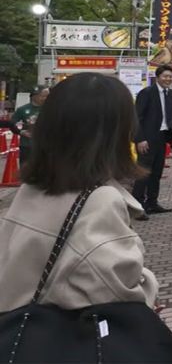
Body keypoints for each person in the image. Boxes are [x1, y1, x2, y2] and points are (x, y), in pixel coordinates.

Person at [0, 73, 157, 314]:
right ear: (115, 134)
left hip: (18, 336)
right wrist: (148, 281)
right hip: (66, 344)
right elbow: (121, 297)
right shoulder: (100, 201)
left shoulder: (31, 190)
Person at [133, 65, 172, 218]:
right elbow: (136, 118)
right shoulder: (146, 93)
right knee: (143, 173)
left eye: (170, 76)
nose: (168, 79)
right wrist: (140, 139)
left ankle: (152, 203)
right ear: (157, 77)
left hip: (162, 137)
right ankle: (137, 206)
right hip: (147, 139)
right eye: (165, 76)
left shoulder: (170, 94)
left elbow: (171, 117)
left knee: (156, 172)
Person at [11, 85, 48, 165]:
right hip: (27, 145)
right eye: (43, 96)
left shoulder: (50, 109)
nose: (46, 98)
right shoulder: (22, 109)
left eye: (47, 96)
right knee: (26, 169)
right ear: (34, 96)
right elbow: (12, 123)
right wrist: (21, 131)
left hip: (45, 146)